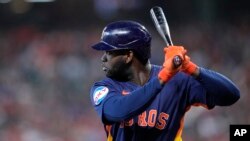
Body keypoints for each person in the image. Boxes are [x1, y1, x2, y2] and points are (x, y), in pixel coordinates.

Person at [89, 20, 240, 141]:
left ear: (128, 56)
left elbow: (230, 95)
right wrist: (163, 77)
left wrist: (191, 68)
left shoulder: (177, 80)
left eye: (109, 52)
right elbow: (117, 111)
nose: (103, 58)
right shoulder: (105, 87)